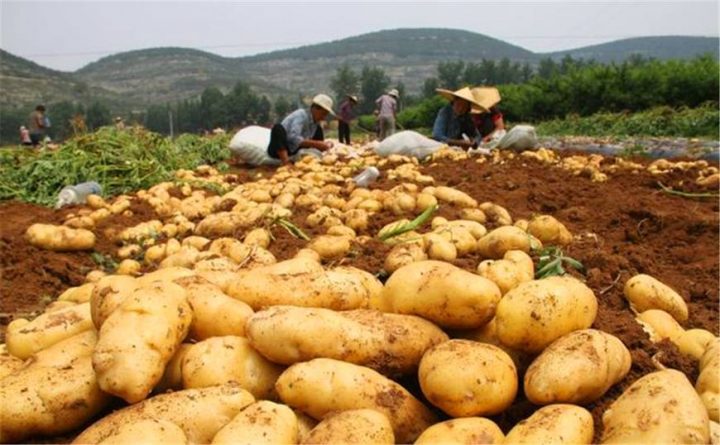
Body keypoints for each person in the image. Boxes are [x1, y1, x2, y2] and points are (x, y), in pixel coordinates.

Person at [267, 94, 335, 166]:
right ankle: (286, 162)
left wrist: (325, 145)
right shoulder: (301, 115)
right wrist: (317, 143)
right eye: (323, 114)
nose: (323, 117)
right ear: (315, 108)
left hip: (295, 150)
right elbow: (293, 138)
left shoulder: (315, 123)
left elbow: (311, 141)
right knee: (277, 128)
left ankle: (315, 158)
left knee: (319, 131)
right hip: (281, 149)